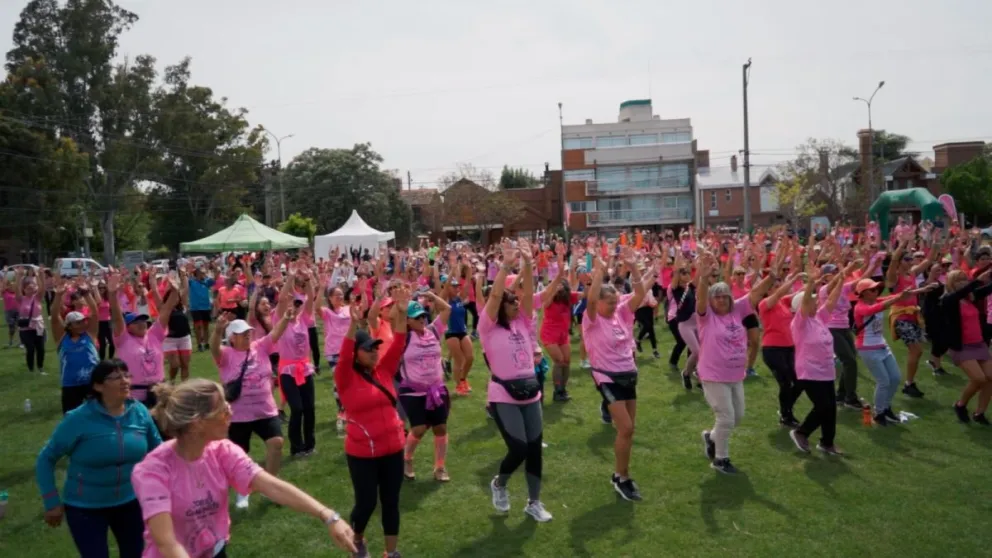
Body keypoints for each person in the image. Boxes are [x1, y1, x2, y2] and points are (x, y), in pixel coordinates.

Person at [133, 379, 356, 557]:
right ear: (197, 422)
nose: (231, 413)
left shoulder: (222, 451)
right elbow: (166, 541)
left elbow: (271, 485)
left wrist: (328, 515)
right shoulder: (153, 470)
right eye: (223, 409)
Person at [36, 359, 162, 558]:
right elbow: (46, 458)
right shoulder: (78, 419)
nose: (125, 381)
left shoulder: (139, 412)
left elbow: (159, 453)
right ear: (98, 386)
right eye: (116, 377)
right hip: (85, 507)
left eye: (126, 375)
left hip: (130, 502)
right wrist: (51, 501)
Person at [335, 286, 411, 557]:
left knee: (391, 502)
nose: (375, 353)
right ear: (356, 353)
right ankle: (357, 540)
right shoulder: (345, 377)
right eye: (368, 350)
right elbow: (343, 355)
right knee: (366, 503)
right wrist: (353, 324)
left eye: (375, 348)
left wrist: (401, 314)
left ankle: (391, 553)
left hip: (393, 449)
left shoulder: (384, 372)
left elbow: (399, 342)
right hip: (363, 454)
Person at [482, 239, 552, 523]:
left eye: (516, 302)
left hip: (530, 391)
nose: (515, 304)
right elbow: (496, 295)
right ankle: (499, 483)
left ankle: (533, 502)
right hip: (503, 393)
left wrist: (528, 263)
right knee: (520, 447)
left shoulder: (522, 321)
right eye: (510, 302)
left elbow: (527, 292)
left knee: (535, 446)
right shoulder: (487, 326)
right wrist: (506, 265)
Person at [695, 251, 774, 475]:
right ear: (711, 300)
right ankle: (721, 459)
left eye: (724, 296)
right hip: (713, 374)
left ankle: (710, 437)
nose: (721, 299)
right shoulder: (706, 316)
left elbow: (756, 293)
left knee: (736, 417)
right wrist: (702, 278)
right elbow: (701, 298)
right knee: (726, 417)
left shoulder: (738, 309)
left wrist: (772, 276)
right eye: (716, 296)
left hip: (735, 374)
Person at [584, 246, 648, 501]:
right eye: (608, 303)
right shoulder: (591, 319)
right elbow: (589, 300)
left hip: (628, 374)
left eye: (614, 302)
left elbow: (640, 294)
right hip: (606, 376)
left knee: (629, 431)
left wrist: (633, 267)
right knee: (626, 427)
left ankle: (621, 473)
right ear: (599, 302)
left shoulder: (621, 313)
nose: (613, 306)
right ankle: (622, 479)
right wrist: (599, 272)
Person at [212, 311, 291, 509]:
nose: (247, 335)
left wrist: (286, 317)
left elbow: (275, 334)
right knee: (240, 454)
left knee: (276, 442)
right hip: (238, 414)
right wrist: (217, 330)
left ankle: (271, 487)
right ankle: (242, 491)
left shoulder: (260, 347)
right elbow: (214, 348)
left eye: (248, 332)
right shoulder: (226, 354)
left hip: (265, 410)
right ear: (232, 338)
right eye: (242, 333)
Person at [853, 278, 933, 426]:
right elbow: (875, 309)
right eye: (872, 289)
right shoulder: (860, 307)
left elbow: (895, 297)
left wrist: (921, 290)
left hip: (882, 346)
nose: (876, 291)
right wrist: (898, 297)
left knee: (895, 378)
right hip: (868, 349)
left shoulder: (876, 300)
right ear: (862, 293)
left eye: (877, 288)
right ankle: (878, 413)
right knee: (883, 381)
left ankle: (886, 407)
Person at [788, 263, 848, 455]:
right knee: (823, 406)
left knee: (831, 408)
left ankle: (827, 442)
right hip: (809, 371)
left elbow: (831, 300)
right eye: (813, 301)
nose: (816, 303)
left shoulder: (819, 318)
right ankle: (801, 432)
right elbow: (806, 304)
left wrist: (841, 280)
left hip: (826, 371)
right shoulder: (800, 323)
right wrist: (811, 284)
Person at [399, 292, 452, 482]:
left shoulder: (434, 331)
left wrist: (431, 295)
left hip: (436, 389)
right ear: (407, 321)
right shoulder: (403, 338)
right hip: (412, 392)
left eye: (423, 315)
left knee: (441, 428)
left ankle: (439, 467)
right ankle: (407, 458)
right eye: (416, 317)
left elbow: (447, 309)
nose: (422, 319)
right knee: (419, 428)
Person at [108, 272, 179, 409]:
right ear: (127, 327)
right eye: (136, 322)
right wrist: (112, 294)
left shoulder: (154, 334)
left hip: (159, 392)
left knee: (163, 429)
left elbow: (166, 310)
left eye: (143, 320)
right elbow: (117, 318)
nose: (142, 323)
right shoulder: (123, 339)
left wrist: (175, 291)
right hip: (134, 396)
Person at [884, 238, 935, 398]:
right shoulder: (894, 276)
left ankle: (910, 383)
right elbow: (893, 260)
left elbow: (929, 260)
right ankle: (908, 384)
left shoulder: (911, 273)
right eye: (907, 259)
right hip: (900, 316)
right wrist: (902, 244)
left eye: (911, 259)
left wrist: (936, 240)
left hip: (913, 315)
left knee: (918, 352)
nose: (911, 261)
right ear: (900, 261)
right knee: (917, 350)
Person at [940, 269, 992, 424]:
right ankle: (960, 405)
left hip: (978, 344)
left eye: (964, 279)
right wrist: (976, 281)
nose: (962, 282)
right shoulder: (948, 300)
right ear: (950, 283)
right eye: (958, 280)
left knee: (990, 378)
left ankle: (979, 413)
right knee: (979, 379)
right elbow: (959, 294)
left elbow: (987, 289)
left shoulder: (970, 297)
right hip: (962, 347)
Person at [274, 268, 317, 457]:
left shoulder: (304, 320)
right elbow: (283, 299)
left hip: (304, 369)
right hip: (288, 371)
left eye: (298, 303)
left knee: (309, 408)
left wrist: (307, 278)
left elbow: (311, 295)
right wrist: (290, 276)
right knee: (297, 408)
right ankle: (296, 447)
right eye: (293, 303)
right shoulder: (281, 321)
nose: (296, 306)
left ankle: (309, 444)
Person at [758, 269, 805, 427]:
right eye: (775, 286)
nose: (778, 288)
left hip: (789, 348)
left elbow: (800, 293)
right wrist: (793, 279)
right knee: (786, 383)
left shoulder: (783, 302)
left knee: (799, 382)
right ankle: (786, 415)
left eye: (778, 285)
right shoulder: (764, 304)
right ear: (768, 289)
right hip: (772, 349)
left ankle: (786, 410)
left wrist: (815, 281)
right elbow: (779, 294)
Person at [50, 275, 101, 414]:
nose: (84, 323)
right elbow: (55, 317)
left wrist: (86, 293)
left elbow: (95, 313)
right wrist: (58, 296)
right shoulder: (62, 338)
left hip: (93, 383)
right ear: (70, 326)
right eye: (78, 322)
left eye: (83, 321)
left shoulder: (89, 335)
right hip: (70, 385)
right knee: (71, 417)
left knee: (98, 416)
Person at [538, 245, 576, 401]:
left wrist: (589, 280)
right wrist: (554, 288)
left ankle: (562, 390)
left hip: (562, 335)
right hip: (549, 334)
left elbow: (585, 293)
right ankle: (556, 390)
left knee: (567, 362)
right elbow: (544, 304)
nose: (561, 288)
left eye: (563, 287)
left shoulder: (569, 298)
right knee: (559, 360)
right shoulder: (550, 298)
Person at [11, 267, 46, 373]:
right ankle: (31, 369)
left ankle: (40, 368)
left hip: (38, 327)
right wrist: (19, 277)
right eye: (28, 288)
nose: (30, 290)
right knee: (30, 349)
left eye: (32, 288)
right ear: (24, 290)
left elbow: (42, 287)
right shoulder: (21, 299)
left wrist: (38, 275)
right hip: (26, 328)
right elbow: (16, 288)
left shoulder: (38, 297)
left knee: (41, 349)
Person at [187, 267, 215, 352]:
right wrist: (189, 271)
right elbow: (184, 278)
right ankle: (199, 344)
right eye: (200, 272)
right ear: (197, 274)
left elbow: (214, 280)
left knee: (206, 326)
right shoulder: (192, 281)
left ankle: (207, 343)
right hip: (195, 308)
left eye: (203, 272)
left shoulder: (206, 281)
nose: (202, 273)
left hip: (206, 307)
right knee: (198, 327)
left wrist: (206, 274)